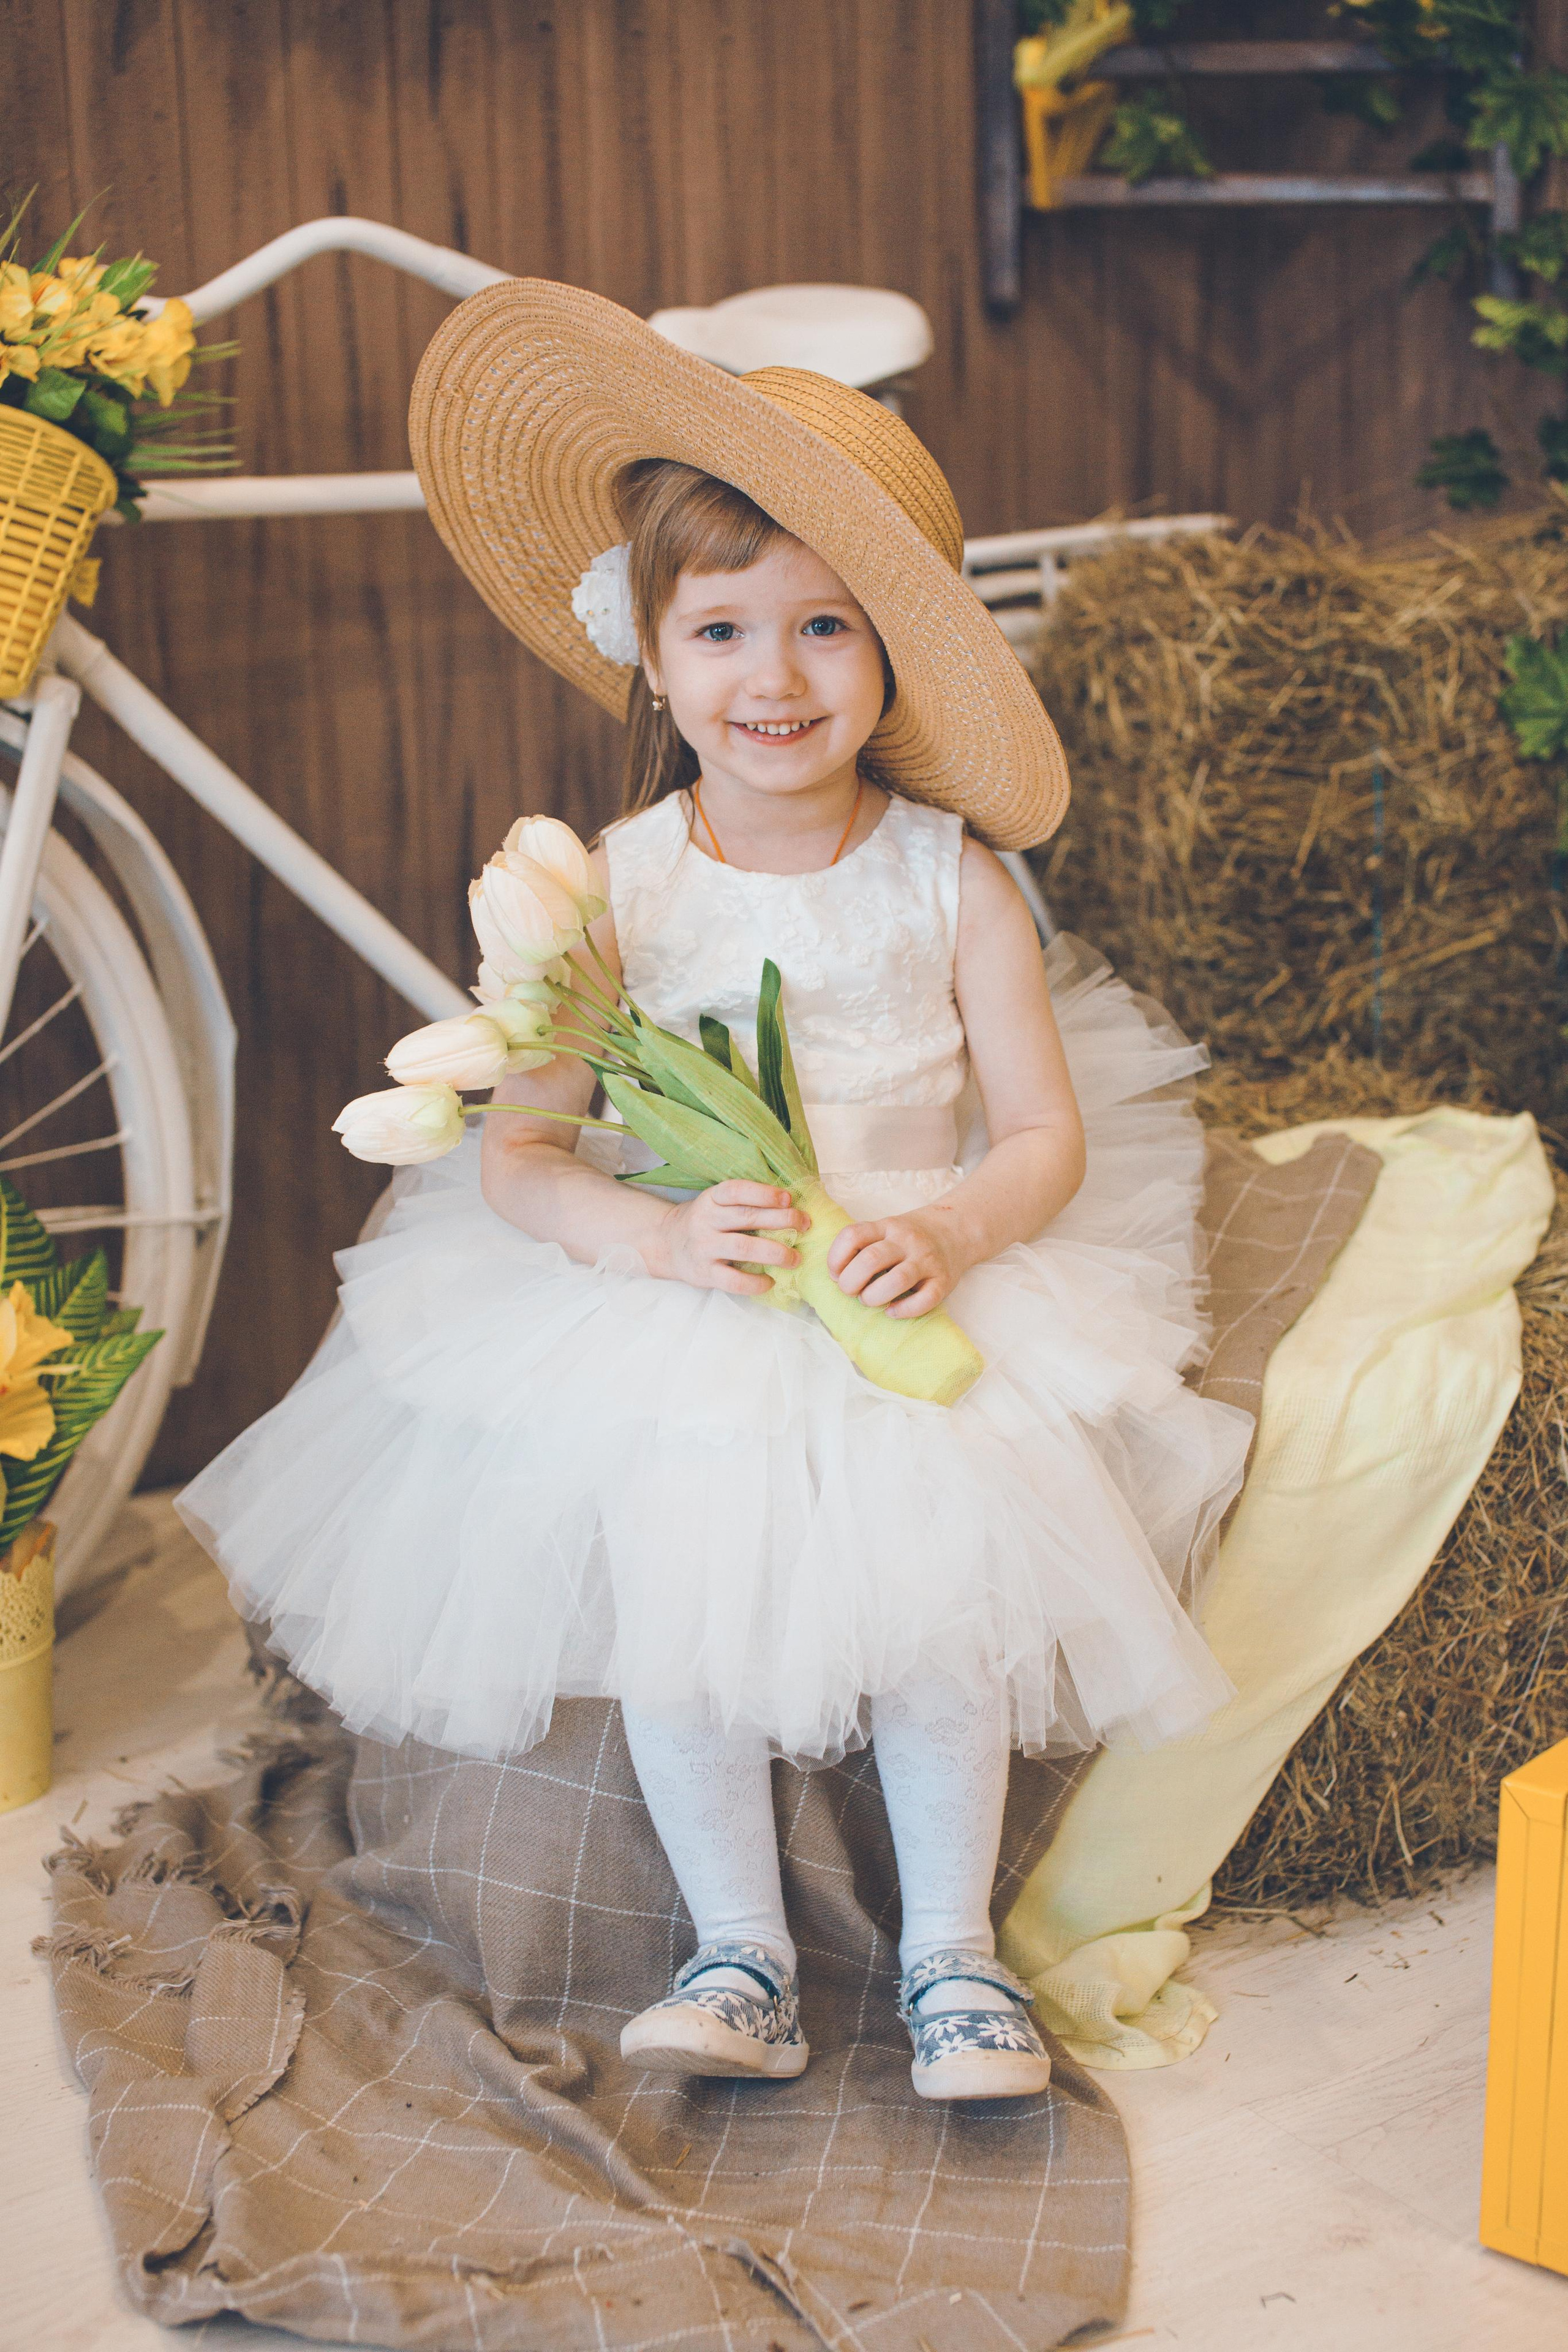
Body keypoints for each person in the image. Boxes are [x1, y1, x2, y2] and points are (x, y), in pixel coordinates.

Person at [178, 282, 1253, 2103]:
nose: (778, 676)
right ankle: (738, 1952)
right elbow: (523, 1153)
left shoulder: (952, 882)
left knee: (941, 1618)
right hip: (695, 1305)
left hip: (907, 1284)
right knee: (683, 1622)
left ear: (898, 658)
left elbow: (1042, 1137)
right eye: (726, 628)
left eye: (830, 626)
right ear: (653, 655)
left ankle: (954, 1958)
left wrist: (955, 1228)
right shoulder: (613, 888)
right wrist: (661, 1237)